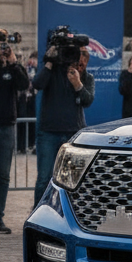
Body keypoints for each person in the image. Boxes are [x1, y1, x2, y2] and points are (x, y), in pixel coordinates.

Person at [33, 42, 94, 204]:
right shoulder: (53, 71)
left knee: (72, 180)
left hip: (73, 133)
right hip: (48, 132)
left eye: (82, 60)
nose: (78, 63)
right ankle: (38, 214)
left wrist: (77, 84)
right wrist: (50, 61)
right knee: (44, 178)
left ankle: (67, 214)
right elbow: (37, 84)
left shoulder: (86, 77)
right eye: (75, 57)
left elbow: (87, 101)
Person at [0, 30, 29, 233]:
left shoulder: (12, 66)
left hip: (6, 127)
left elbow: (24, 85)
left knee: (3, 176)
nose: (1, 48)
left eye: (3, 44)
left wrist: (13, 61)